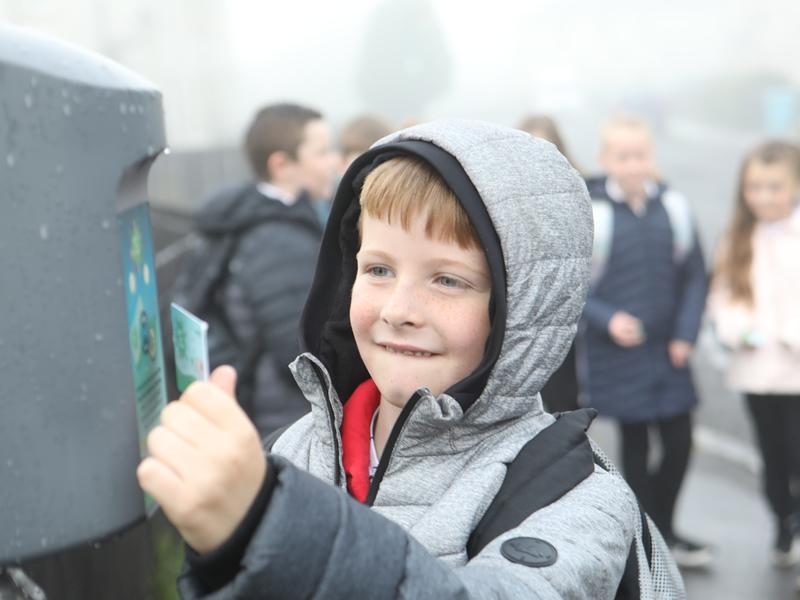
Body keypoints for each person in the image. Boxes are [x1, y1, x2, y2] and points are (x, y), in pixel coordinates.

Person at [139, 120, 684, 598]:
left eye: (448, 279)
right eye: (377, 270)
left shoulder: (577, 499)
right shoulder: (290, 450)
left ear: (521, 312)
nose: (399, 310)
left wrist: (266, 527)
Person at [580, 115, 710, 568]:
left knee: (680, 443)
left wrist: (685, 334)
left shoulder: (673, 208)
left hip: (669, 352)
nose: (633, 164)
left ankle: (663, 529)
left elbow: (695, 275)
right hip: (619, 354)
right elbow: (577, 287)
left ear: (651, 156)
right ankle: (648, 538)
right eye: (622, 155)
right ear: (605, 159)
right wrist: (608, 318)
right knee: (635, 447)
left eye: (640, 154)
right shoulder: (594, 212)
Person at [171, 102, 338, 437]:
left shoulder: (249, 217)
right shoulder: (279, 243)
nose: (333, 162)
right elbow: (300, 355)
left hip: (255, 410)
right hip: (283, 423)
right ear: (281, 164)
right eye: (321, 152)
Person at [707, 141, 800, 570]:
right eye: (754, 187)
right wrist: (738, 330)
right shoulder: (738, 238)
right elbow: (724, 297)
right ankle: (784, 523)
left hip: (796, 368)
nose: (763, 196)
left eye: (774, 186)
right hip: (756, 369)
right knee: (773, 457)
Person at [518, 114, 581, 413]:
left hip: (570, 322)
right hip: (526, 324)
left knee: (566, 403)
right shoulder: (508, 202)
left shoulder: (579, 195)